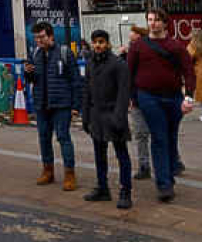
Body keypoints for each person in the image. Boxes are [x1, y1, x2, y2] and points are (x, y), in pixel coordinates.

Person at [127, 9, 195, 203]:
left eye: (157, 20)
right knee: (159, 137)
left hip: (173, 98)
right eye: (150, 20)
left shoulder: (176, 46)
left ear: (165, 23)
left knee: (170, 137)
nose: (153, 23)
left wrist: (189, 96)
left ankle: (170, 170)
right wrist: (132, 97)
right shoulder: (138, 46)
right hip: (148, 97)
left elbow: (189, 72)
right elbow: (130, 73)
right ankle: (164, 184)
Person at [25, 21, 82, 191]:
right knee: (44, 138)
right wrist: (29, 73)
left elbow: (75, 81)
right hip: (42, 104)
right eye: (36, 38)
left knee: (63, 138)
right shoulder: (35, 53)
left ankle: (70, 174)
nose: (38, 41)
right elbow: (34, 79)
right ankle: (48, 171)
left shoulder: (65, 53)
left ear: (50, 36)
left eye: (41, 37)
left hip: (61, 103)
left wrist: (75, 106)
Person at [81, 30, 133, 209]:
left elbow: (124, 93)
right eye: (95, 42)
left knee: (122, 155)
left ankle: (126, 191)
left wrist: (119, 117)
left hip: (113, 114)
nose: (98, 45)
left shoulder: (118, 64)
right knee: (99, 154)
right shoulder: (90, 64)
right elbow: (86, 91)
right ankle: (102, 188)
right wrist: (85, 116)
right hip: (96, 115)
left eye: (101, 42)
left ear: (108, 43)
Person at [119, 26, 153, 180]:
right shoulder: (130, 51)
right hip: (137, 99)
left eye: (133, 32)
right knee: (140, 134)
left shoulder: (148, 50)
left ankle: (174, 161)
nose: (130, 35)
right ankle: (144, 165)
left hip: (150, 97)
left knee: (157, 133)